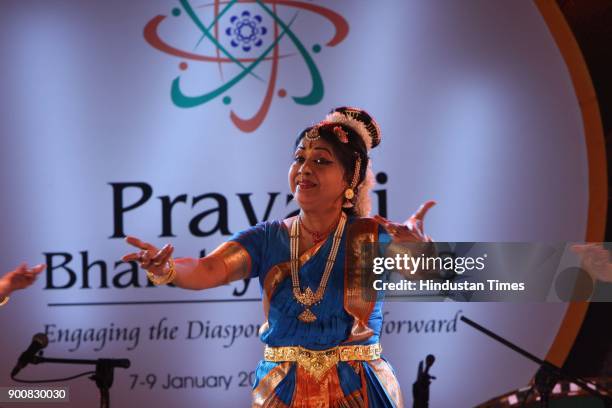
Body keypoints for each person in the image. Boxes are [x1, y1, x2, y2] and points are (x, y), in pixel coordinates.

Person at [122, 107, 435, 407]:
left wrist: (421, 252)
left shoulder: (370, 237)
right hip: (284, 389)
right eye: (299, 158)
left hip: (359, 390)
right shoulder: (268, 238)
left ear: (350, 179)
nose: (305, 169)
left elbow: (447, 280)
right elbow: (209, 268)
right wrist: (169, 269)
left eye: (321, 161)